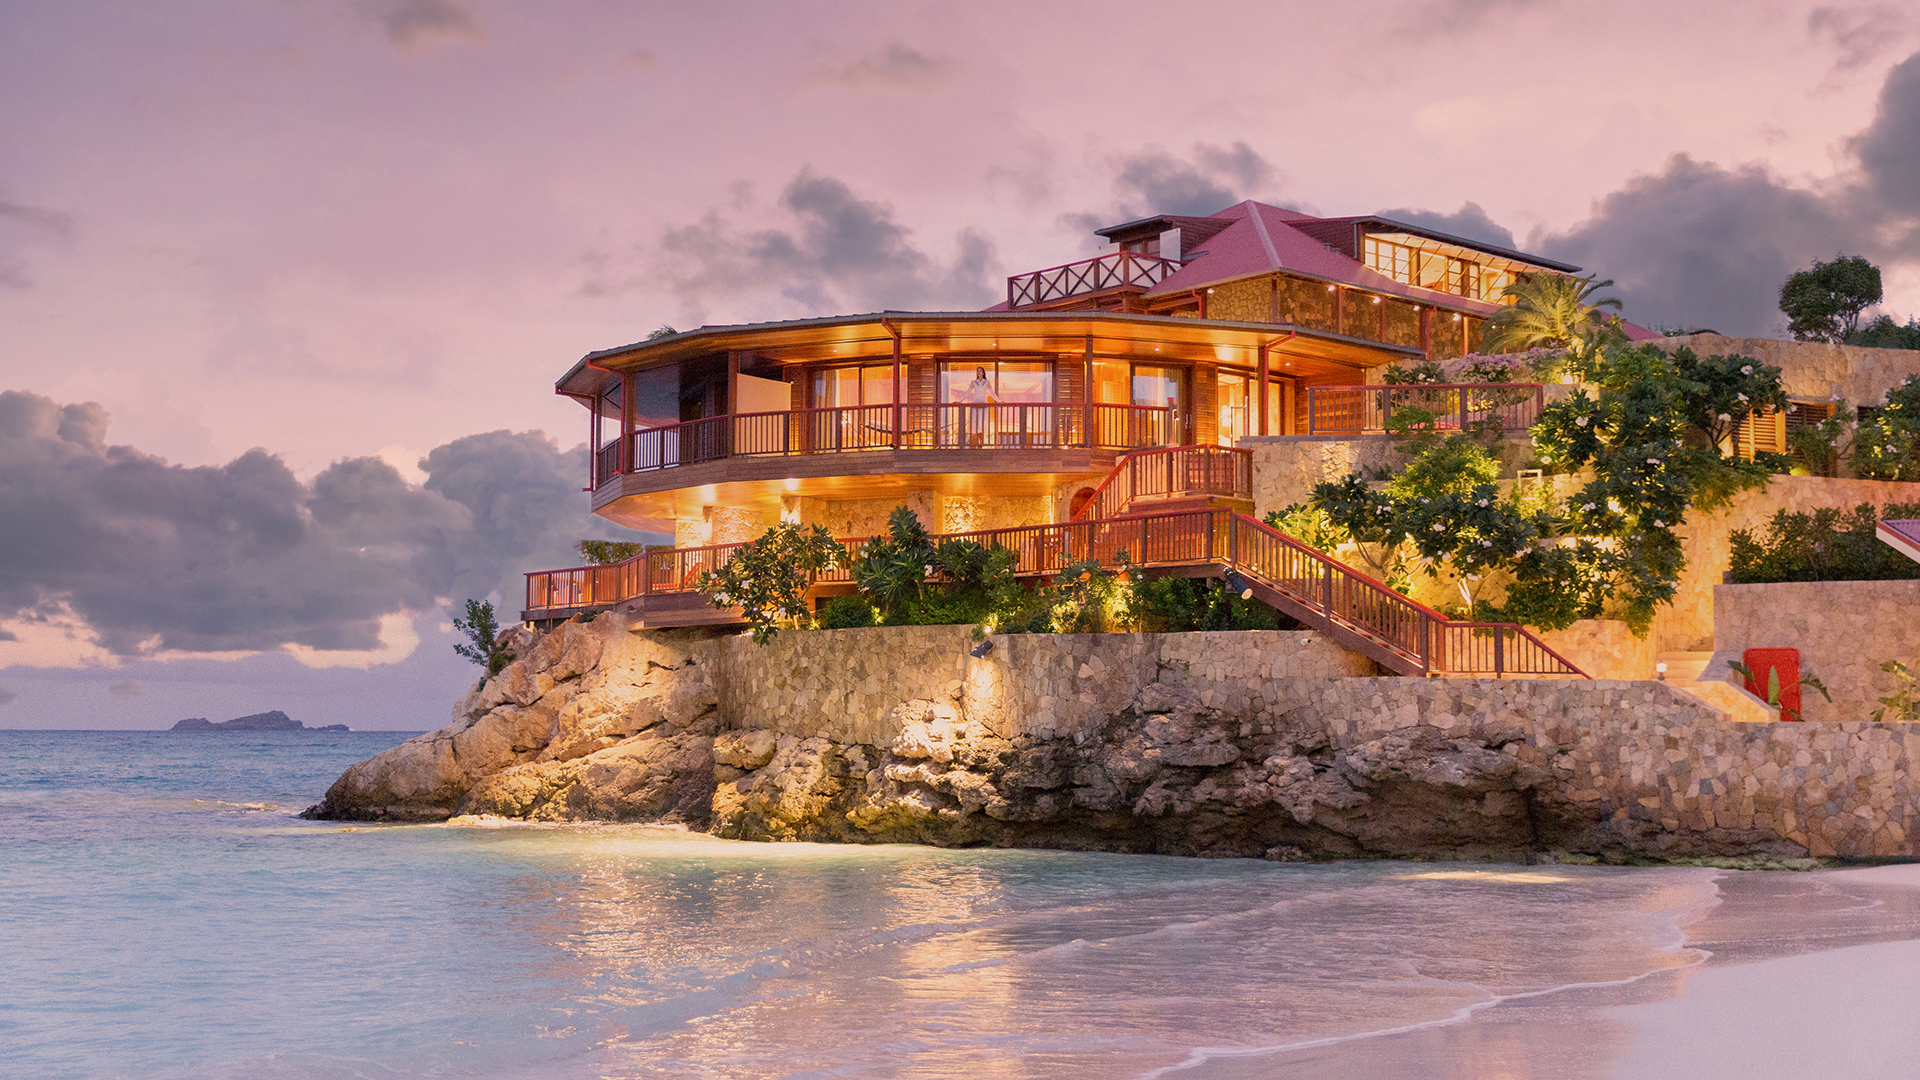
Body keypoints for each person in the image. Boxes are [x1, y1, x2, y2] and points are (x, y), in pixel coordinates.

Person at [965, 366, 995, 447]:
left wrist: (999, 401)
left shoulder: (987, 382)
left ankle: (981, 443)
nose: (979, 372)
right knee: (975, 422)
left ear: (983, 372)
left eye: (980, 371)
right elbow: (967, 392)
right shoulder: (974, 382)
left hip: (983, 403)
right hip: (975, 403)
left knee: (982, 422)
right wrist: (959, 401)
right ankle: (975, 443)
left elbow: (992, 393)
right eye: (977, 371)